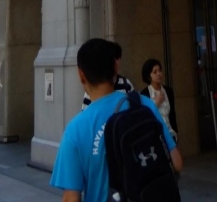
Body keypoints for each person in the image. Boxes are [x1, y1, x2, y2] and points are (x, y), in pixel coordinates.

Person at [51, 37, 183, 202]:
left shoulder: (75, 130)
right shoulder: (144, 104)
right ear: (115, 67)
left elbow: (71, 198)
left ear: (81, 75)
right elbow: (177, 162)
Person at [81, 40, 133, 109]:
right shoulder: (93, 86)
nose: (114, 63)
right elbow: (86, 110)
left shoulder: (126, 84)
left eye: (117, 59)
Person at [140, 58, 177, 141]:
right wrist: (156, 103)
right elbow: (144, 117)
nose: (158, 74)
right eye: (155, 72)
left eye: (160, 71)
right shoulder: (144, 94)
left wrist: (176, 132)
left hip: (170, 133)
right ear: (148, 75)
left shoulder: (168, 91)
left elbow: (172, 114)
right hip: (155, 136)